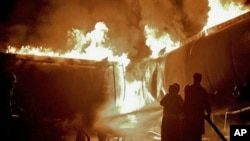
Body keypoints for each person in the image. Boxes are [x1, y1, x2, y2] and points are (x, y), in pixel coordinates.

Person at [0, 71, 29, 141]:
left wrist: (22, 111)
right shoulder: (3, 93)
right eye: (12, 83)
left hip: (7, 118)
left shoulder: (9, 92)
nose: (13, 85)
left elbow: (12, 103)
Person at [183, 73, 211, 141]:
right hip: (198, 117)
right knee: (197, 137)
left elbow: (186, 102)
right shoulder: (202, 90)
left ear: (193, 78)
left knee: (189, 135)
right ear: (200, 80)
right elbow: (207, 104)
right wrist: (208, 114)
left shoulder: (188, 89)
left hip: (189, 117)